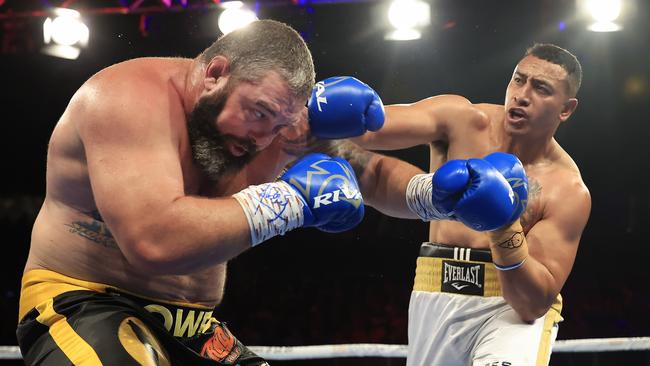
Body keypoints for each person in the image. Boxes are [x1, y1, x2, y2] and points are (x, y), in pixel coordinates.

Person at [16, 19, 401, 365]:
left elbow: (373, 169)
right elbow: (154, 241)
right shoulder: (128, 95)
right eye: (259, 112)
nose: (263, 138)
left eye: (280, 125)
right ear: (216, 73)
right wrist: (290, 201)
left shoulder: (276, 118)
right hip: (85, 302)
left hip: (197, 328)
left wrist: (429, 194)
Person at [351, 43, 592, 365]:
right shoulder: (460, 120)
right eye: (518, 80)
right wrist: (326, 112)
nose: (522, 94)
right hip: (435, 290)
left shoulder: (567, 189)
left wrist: (503, 226)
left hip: (509, 309)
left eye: (541, 88)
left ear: (566, 109)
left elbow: (532, 303)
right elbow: (368, 129)